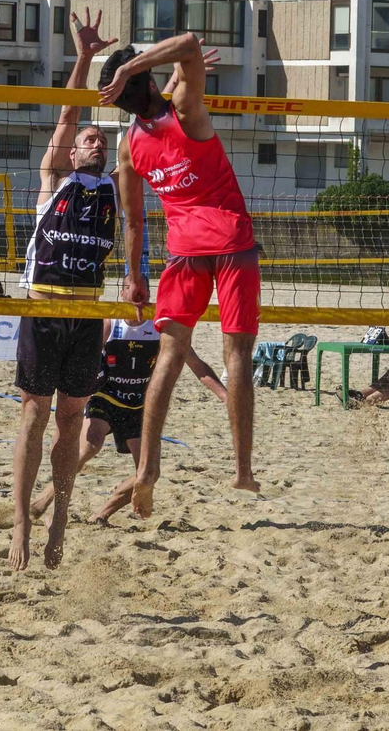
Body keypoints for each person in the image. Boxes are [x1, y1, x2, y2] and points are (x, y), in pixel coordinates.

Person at [100, 33, 260, 517]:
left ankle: (147, 469)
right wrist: (135, 70)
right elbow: (189, 42)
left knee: (168, 359)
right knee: (236, 354)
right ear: (146, 77)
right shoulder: (187, 111)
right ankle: (242, 470)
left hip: (183, 252)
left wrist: (133, 276)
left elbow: (132, 221)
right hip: (232, 243)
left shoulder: (128, 146)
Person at [9, 8, 118, 571]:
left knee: (71, 422)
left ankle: (59, 519)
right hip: (43, 306)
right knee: (34, 415)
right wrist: (84, 58)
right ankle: (23, 521)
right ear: (73, 151)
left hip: (88, 315)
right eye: (88, 138)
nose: (94, 141)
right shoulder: (56, 179)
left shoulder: (117, 191)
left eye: (102, 139)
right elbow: (69, 114)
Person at [29, 316, 227, 525]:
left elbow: (197, 365)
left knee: (150, 472)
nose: (137, 302)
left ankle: (101, 515)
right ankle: (44, 502)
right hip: (107, 396)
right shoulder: (111, 323)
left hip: (140, 406)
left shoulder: (161, 328)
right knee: (88, 447)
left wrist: (226, 396)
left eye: (142, 293)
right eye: (130, 291)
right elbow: (85, 357)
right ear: (123, 294)